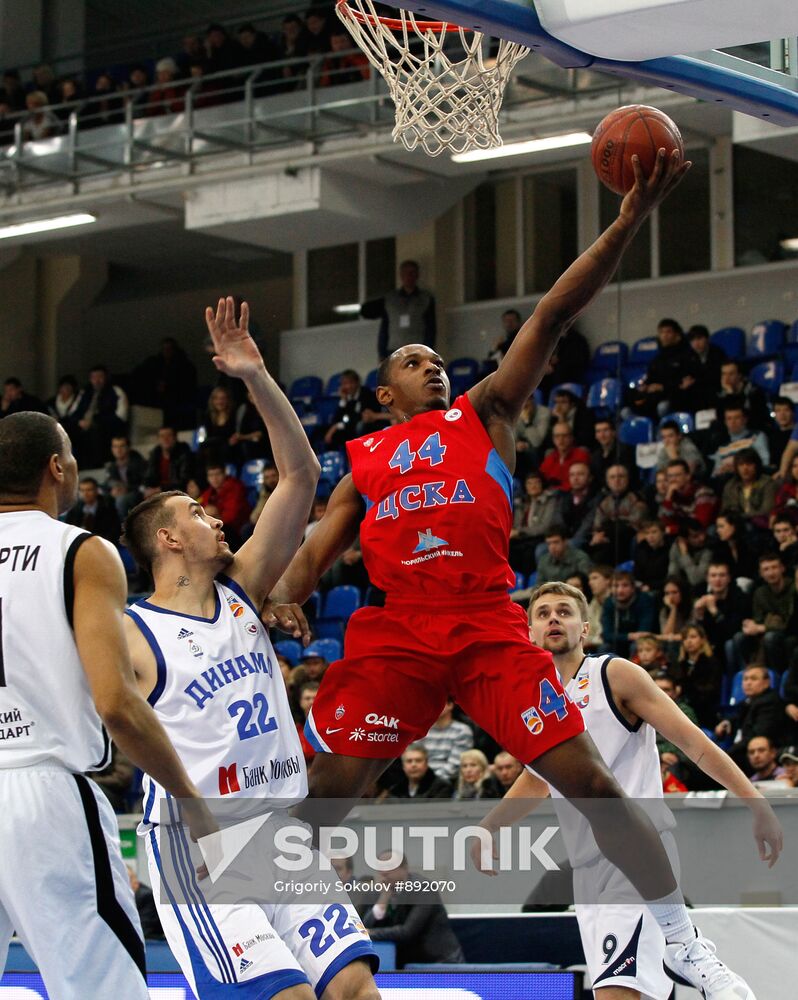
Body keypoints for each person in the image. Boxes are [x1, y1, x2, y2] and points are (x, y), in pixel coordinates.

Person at [269, 152, 700, 918]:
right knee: (329, 792)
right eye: (413, 361)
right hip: (399, 632)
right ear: (383, 392)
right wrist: (285, 601)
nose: (433, 368)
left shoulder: (485, 413)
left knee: (592, 783)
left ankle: (679, 926)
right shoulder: (362, 464)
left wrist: (628, 220)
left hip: (484, 622)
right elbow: (311, 554)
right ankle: (277, 926)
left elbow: (551, 316)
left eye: (438, 360)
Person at [121, 299, 378, 1000]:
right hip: (202, 844)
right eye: (199, 514)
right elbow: (117, 725)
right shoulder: (130, 633)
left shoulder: (242, 590)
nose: (215, 517)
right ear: (168, 542)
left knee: (356, 987)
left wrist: (256, 379)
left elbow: (299, 477)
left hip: (280, 831)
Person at [474, 582, 780, 1000]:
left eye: (564, 612)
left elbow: (695, 744)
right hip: (586, 872)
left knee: (618, 995)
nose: (552, 620)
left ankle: (687, 946)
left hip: (636, 858)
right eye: (543, 613)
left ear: (585, 628)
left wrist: (755, 802)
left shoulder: (612, 675)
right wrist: (489, 826)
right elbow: (538, 777)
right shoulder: (535, 698)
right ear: (529, 631)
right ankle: (686, 948)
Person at [0, 411, 213, 999]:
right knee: (103, 988)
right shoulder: (80, 550)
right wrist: (193, 805)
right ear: (57, 467)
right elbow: (117, 703)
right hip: (42, 791)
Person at [363, 852, 465, 966]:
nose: (384, 872)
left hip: (442, 962)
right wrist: (383, 899)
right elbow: (365, 927)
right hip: (409, 963)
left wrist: (371, 932)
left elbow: (408, 932)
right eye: (380, 868)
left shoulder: (423, 889)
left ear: (404, 868)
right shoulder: (381, 891)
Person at [731, 552, 796, 673]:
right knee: (739, 637)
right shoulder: (760, 592)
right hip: (768, 630)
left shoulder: (793, 588)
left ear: (782, 568)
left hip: (788, 632)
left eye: (774, 567)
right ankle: (748, 674)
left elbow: (790, 623)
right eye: (766, 569)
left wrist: (763, 627)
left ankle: (776, 675)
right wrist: (750, 625)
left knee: (770, 638)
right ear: (761, 573)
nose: (771, 573)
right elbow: (758, 620)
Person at [361, 259, 436, 360]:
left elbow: (431, 328)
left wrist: (429, 351)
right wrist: (382, 353)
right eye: (406, 273)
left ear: (417, 275)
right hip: (394, 350)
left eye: (412, 273)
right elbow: (384, 327)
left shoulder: (426, 299)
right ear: (401, 275)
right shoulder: (390, 299)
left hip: (418, 350)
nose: (409, 276)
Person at [715, 666, 786, 767]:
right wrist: (728, 721)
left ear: (767, 682)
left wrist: (727, 754)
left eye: (754, 678)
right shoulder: (749, 701)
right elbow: (738, 716)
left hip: (755, 755)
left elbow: (755, 736)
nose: (748, 683)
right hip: (742, 752)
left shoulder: (769, 702)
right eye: (745, 679)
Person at [693, 560, 751, 673]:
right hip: (712, 647)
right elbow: (702, 633)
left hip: (736, 648)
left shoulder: (740, 598)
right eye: (713, 575)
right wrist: (699, 615)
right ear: (708, 579)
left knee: (730, 645)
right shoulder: (703, 598)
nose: (717, 579)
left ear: (729, 578)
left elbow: (733, 631)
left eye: (722, 575)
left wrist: (714, 611)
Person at [601, 570, 657, 658]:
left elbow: (643, 633)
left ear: (633, 588)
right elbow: (606, 635)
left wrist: (629, 637)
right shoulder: (609, 603)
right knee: (604, 647)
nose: (620, 590)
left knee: (636, 646)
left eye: (625, 585)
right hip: (620, 641)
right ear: (611, 589)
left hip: (639, 642)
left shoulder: (644, 600)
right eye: (616, 586)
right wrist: (628, 636)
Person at [323, 369, 382, 449]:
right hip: (349, 427)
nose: (348, 386)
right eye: (344, 384)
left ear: (357, 382)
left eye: (350, 383)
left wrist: (336, 426)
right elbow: (337, 419)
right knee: (323, 431)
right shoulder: (346, 397)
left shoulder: (366, 393)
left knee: (358, 427)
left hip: (369, 426)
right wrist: (343, 400)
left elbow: (359, 417)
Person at [421, 699, 474, 784]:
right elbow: (413, 755)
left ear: (450, 705)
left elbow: (455, 765)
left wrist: (430, 781)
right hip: (421, 779)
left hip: (447, 783)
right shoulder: (423, 729)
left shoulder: (462, 731)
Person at [65, 476, 122, 543]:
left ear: (97, 491)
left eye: (89, 490)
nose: (85, 494)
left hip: (102, 543)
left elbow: (113, 532)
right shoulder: (75, 509)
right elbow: (69, 530)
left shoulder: (108, 507)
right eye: (82, 490)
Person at [385, 743, 453, 799]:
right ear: (403, 766)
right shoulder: (396, 790)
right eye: (409, 761)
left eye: (418, 760)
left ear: (426, 764)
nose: (413, 765)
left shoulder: (441, 787)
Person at [104, 434, 147, 518]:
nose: (118, 450)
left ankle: (125, 529)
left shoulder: (139, 463)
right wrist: (112, 491)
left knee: (121, 501)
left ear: (128, 447)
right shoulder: (112, 466)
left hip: (137, 493)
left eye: (122, 446)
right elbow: (108, 483)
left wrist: (127, 489)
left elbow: (145, 484)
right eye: (115, 447)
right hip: (120, 494)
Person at [539, 421, 590, 491]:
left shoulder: (581, 455)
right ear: (553, 439)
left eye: (564, 436)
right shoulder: (550, 457)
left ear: (571, 438)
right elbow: (541, 478)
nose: (561, 440)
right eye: (557, 436)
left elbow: (581, 482)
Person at [145, 425, 195, 492]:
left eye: (169, 435)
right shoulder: (155, 455)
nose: (165, 439)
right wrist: (147, 488)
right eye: (162, 436)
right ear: (158, 439)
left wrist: (161, 489)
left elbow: (183, 481)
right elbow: (148, 477)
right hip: (158, 492)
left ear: (175, 437)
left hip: (176, 492)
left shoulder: (184, 454)